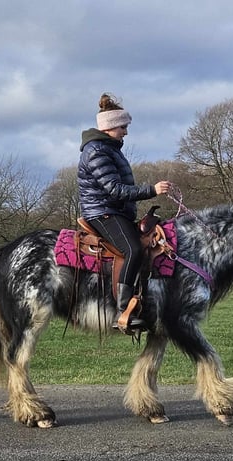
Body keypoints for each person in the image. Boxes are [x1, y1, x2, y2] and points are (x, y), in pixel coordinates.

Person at [78, 93, 174, 331]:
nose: (126, 132)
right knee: (131, 249)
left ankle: (140, 304)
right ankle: (123, 312)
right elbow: (114, 189)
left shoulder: (109, 149)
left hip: (113, 211)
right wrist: (152, 190)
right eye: (123, 126)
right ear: (110, 127)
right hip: (102, 212)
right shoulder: (97, 151)